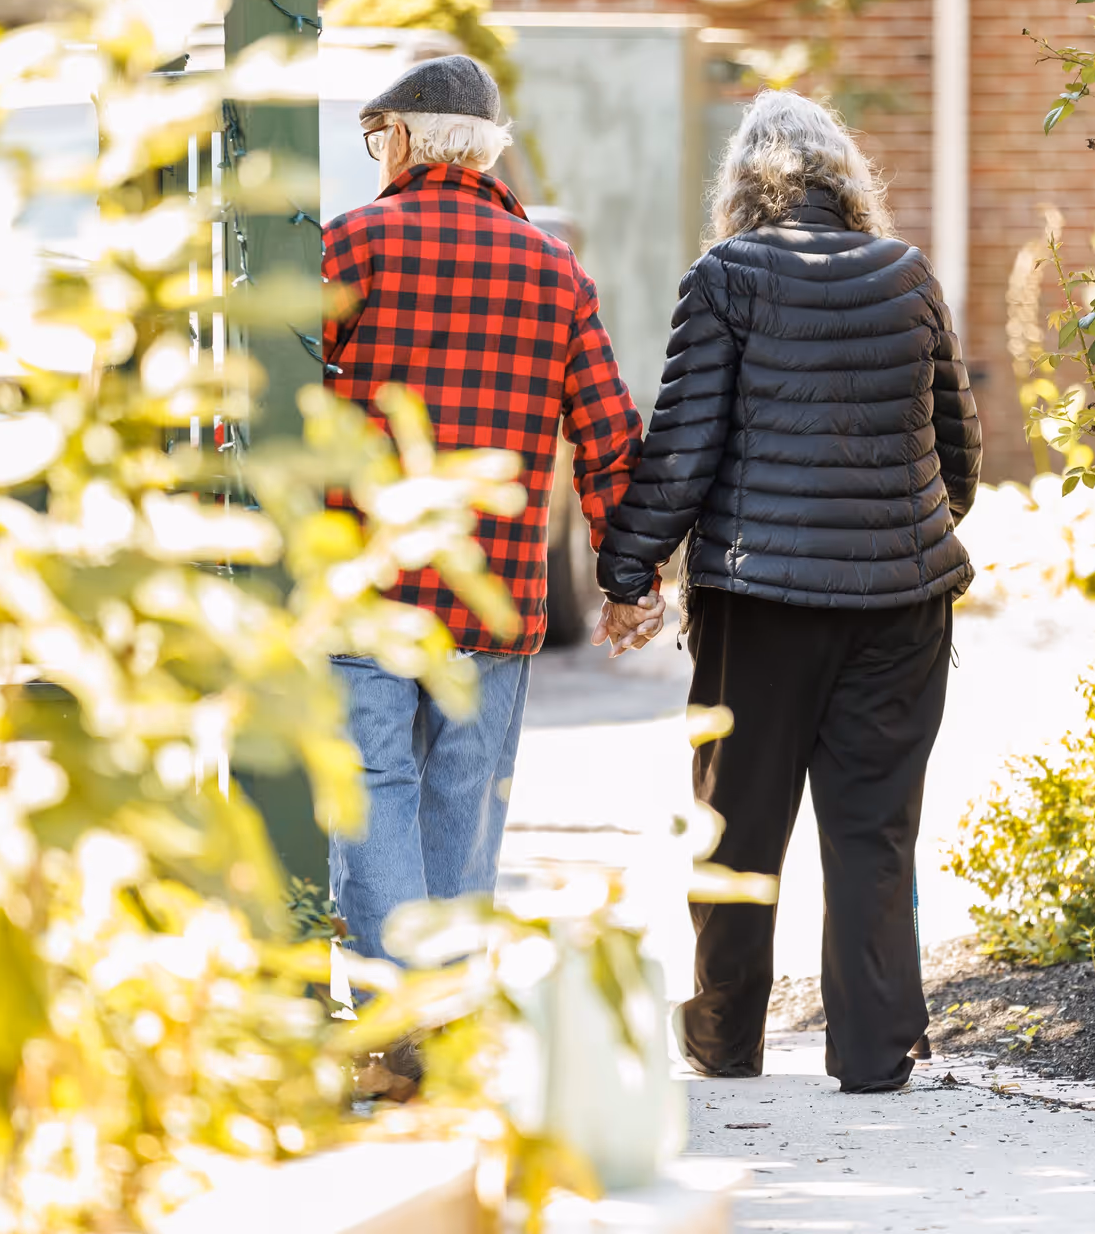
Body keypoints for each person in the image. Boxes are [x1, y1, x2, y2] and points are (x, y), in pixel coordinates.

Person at [596, 89, 982, 1093]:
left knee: (740, 823)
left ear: (741, 182)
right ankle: (874, 1049)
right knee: (873, 831)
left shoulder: (726, 276)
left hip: (758, 604)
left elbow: (682, 450)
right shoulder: (907, 274)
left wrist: (628, 568)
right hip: (900, 603)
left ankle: (725, 1039)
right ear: (843, 176)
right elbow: (959, 452)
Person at [321, 54, 665, 966]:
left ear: (402, 139)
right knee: (464, 793)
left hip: (369, 574)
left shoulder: (352, 244)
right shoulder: (554, 269)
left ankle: (400, 1007)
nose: (373, 155)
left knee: (372, 783)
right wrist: (629, 581)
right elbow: (608, 433)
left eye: (374, 138)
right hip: (495, 591)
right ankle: (445, 1009)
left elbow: (279, 399)